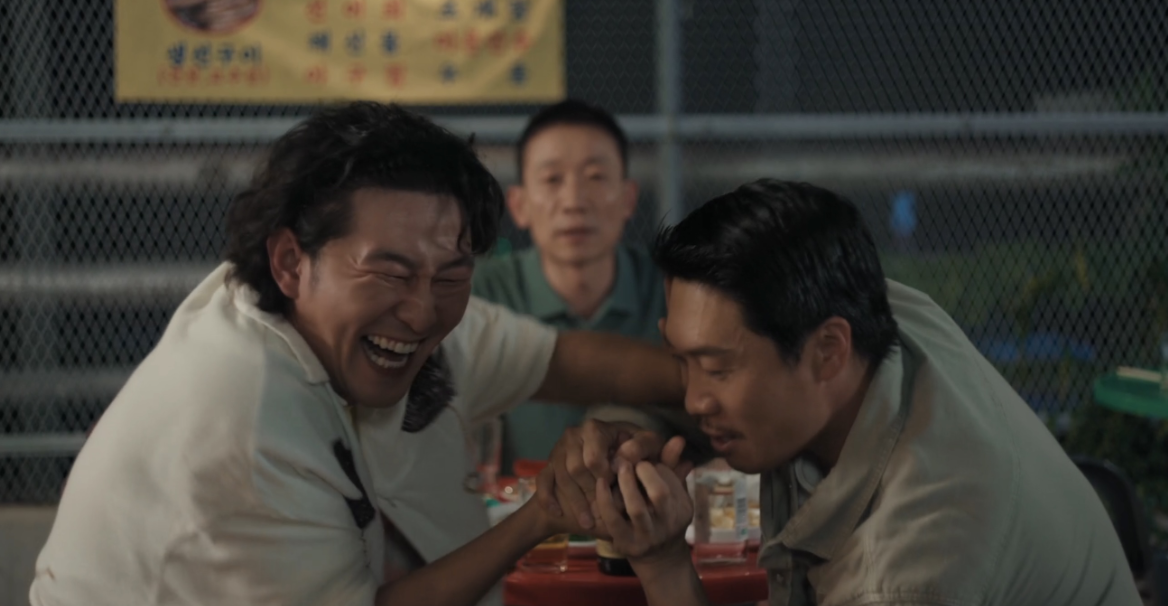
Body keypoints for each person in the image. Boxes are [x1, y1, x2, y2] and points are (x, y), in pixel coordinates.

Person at [30, 102, 683, 606]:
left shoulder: (364, 317)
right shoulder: (243, 419)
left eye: (450, 276)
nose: (422, 312)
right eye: (389, 273)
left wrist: (708, 387)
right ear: (291, 262)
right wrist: (539, 516)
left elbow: (562, 361)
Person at [545, 179, 1140, 605]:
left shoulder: (904, 571)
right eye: (683, 361)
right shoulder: (869, 308)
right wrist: (632, 431)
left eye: (718, 369)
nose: (695, 399)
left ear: (828, 351)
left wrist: (664, 566)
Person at [472, 99, 673, 470]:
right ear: (518, 205)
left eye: (595, 177)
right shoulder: (478, 294)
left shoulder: (673, 291)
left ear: (628, 198)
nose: (574, 202)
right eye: (552, 180)